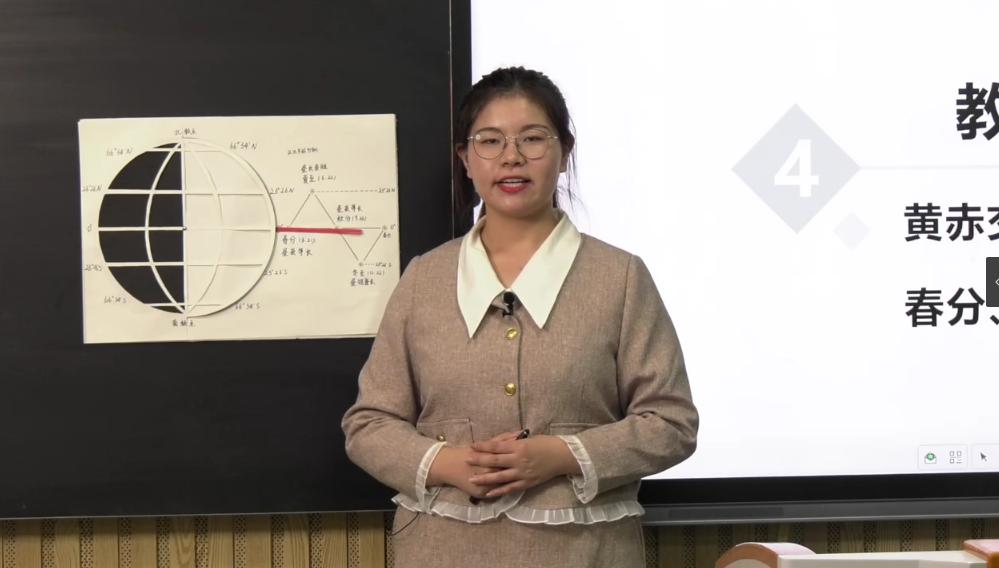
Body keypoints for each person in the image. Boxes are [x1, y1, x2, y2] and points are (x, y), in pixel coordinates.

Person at [342, 66, 698, 568]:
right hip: (443, 551)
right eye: (490, 141)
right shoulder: (424, 278)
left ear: (564, 152)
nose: (511, 157)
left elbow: (671, 423)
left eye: (532, 138)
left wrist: (561, 455)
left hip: (585, 553)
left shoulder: (620, 277)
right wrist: (447, 463)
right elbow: (369, 423)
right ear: (465, 159)